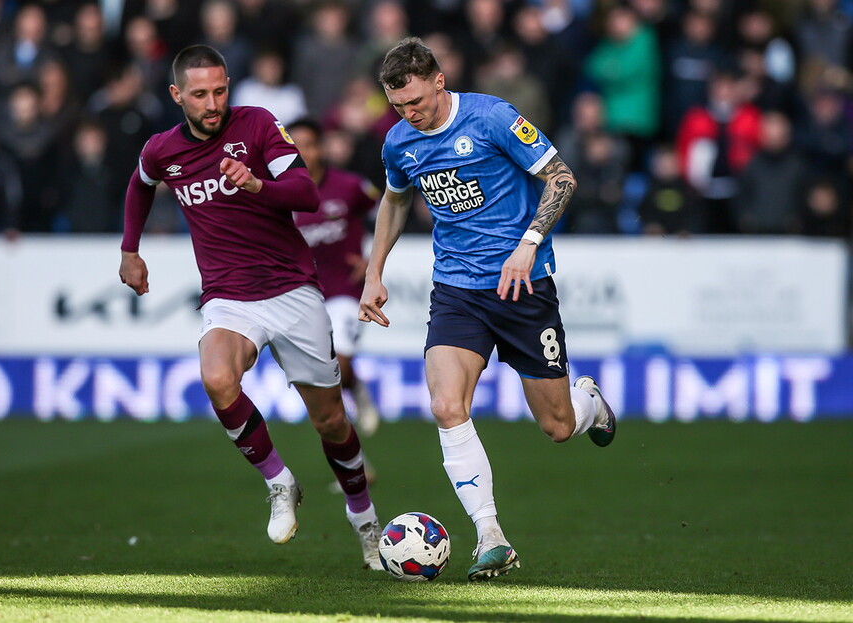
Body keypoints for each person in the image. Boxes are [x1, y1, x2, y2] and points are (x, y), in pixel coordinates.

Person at [360, 37, 617, 582]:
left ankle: (587, 402)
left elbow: (562, 177)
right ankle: (491, 536)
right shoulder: (399, 142)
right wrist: (374, 271)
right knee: (446, 405)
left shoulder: (493, 117)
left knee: (556, 426)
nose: (410, 115)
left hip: (523, 288)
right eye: (398, 107)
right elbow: (396, 199)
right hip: (456, 291)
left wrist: (528, 243)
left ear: (438, 81)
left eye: (417, 103)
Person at [117, 45, 383, 570]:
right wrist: (130, 249)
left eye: (219, 90)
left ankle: (365, 519)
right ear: (177, 95)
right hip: (229, 296)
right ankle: (280, 482)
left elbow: (305, 192)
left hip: (293, 291)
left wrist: (257, 184)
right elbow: (140, 185)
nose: (213, 103)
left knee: (330, 421)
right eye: (199, 94)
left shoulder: (258, 125)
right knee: (217, 378)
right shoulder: (161, 150)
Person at [288, 118, 381, 439]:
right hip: (302, 293)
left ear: (320, 148)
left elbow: (388, 211)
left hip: (345, 288)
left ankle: (347, 427)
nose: (302, 153)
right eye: (294, 146)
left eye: (308, 145)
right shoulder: (278, 194)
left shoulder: (350, 186)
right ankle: (355, 394)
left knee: (337, 361)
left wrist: (374, 259)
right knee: (323, 371)